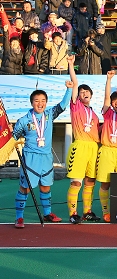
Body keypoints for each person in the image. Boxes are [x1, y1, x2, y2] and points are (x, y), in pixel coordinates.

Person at [13, 61, 72, 228]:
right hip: (30, 158)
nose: (40, 103)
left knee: (45, 187)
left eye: (43, 100)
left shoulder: (49, 114)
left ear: (46, 102)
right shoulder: (24, 120)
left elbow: (62, 106)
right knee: (25, 188)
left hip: (46, 158)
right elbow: (13, 137)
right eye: (37, 101)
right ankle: (19, 217)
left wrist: (69, 89)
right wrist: (14, 141)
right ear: (32, 102)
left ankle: (47, 214)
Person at [65, 55, 101, 224]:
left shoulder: (94, 114)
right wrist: (71, 65)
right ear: (78, 96)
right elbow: (75, 84)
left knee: (90, 181)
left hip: (93, 148)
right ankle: (73, 213)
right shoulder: (76, 106)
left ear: (91, 95)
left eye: (87, 92)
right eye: (82, 92)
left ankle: (87, 211)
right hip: (80, 146)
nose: (84, 93)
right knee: (77, 183)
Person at [94, 71, 117, 223]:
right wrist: (108, 79)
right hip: (106, 150)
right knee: (105, 182)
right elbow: (107, 98)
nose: (116, 103)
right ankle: (106, 212)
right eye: (114, 101)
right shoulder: (108, 113)